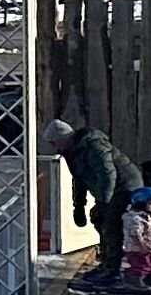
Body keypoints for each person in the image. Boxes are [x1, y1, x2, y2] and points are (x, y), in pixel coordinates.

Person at [53, 116, 133, 281]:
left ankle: (112, 269)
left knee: (110, 223)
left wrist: (103, 202)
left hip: (124, 185)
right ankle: (106, 262)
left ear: (64, 139)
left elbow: (108, 174)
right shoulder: (74, 153)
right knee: (99, 219)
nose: (55, 147)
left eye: (55, 143)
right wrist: (79, 206)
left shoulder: (94, 145)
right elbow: (79, 180)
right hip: (110, 189)